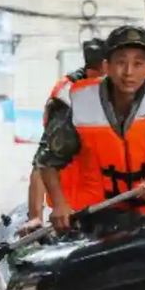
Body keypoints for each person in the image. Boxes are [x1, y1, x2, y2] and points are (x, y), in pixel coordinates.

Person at [35, 25, 145, 232]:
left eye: (138, 63)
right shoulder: (80, 102)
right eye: (121, 62)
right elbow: (47, 160)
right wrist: (59, 204)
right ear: (107, 66)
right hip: (95, 214)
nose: (128, 72)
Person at [22, 38, 105, 233]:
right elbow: (42, 162)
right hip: (68, 206)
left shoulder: (109, 92)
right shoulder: (67, 100)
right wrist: (35, 217)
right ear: (105, 65)